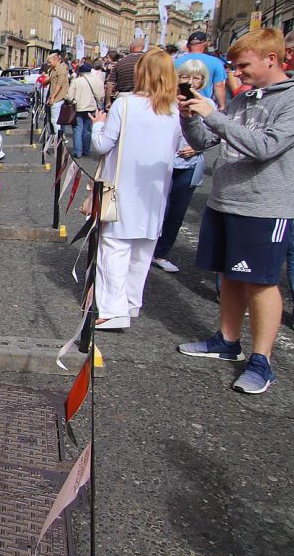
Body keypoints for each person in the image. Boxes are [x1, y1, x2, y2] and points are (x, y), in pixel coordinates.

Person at [177, 28, 294, 395]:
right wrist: (190, 117)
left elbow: (265, 146)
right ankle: (227, 341)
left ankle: (262, 361)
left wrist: (215, 115)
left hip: (263, 206)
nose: (236, 73)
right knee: (229, 274)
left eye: (243, 65)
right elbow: (204, 141)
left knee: (260, 282)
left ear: (270, 59)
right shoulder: (244, 99)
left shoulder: (289, 100)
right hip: (225, 200)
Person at [91, 49, 183, 330]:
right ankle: (131, 304)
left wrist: (97, 126)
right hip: (155, 194)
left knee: (113, 250)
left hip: (118, 189)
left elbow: (102, 146)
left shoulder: (125, 105)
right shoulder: (176, 111)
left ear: (143, 73)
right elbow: (177, 150)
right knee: (142, 253)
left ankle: (113, 310)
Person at [151, 59, 211, 274]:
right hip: (163, 163)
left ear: (203, 81)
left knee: (176, 213)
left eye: (196, 78)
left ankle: (161, 253)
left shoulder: (207, 104)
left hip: (189, 165)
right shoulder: (166, 102)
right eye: (185, 77)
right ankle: (146, 249)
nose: (190, 82)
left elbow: (215, 136)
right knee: (157, 209)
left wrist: (197, 149)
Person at [177, 32, 228, 111]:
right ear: (205, 44)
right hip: (203, 105)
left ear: (188, 45)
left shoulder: (176, 62)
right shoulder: (215, 62)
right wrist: (222, 106)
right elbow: (219, 86)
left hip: (180, 103)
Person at [67, 63, 103, 157]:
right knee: (87, 130)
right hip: (91, 108)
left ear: (81, 72)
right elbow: (101, 96)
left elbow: (70, 96)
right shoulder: (98, 81)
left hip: (78, 108)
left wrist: (70, 100)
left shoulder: (76, 81)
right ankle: (86, 150)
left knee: (78, 129)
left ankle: (78, 152)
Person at [105, 38, 145, 105]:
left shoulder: (121, 62)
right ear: (143, 47)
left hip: (123, 98)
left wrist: (108, 102)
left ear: (131, 47)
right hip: (143, 97)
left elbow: (109, 85)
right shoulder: (149, 61)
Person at [46, 52, 69, 131]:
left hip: (58, 98)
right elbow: (51, 82)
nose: (48, 64)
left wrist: (52, 97)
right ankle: (57, 138)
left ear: (56, 60)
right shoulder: (53, 70)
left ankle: (57, 140)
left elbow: (59, 85)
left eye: (50, 62)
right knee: (54, 120)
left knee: (55, 120)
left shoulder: (61, 69)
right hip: (54, 96)